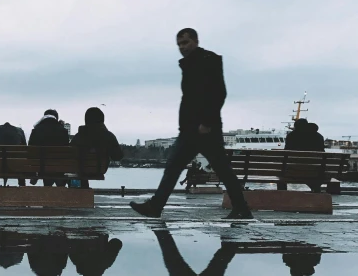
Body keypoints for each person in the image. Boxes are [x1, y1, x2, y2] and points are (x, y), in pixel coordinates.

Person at [130, 28, 252, 220]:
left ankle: (156, 206)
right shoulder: (190, 64)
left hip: (204, 129)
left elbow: (218, 93)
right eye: (179, 44)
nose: (182, 48)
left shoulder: (208, 60)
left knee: (214, 169)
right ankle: (241, 208)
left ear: (195, 41)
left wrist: (207, 122)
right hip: (190, 129)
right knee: (179, 167)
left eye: (185, 43)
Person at [70, 107, 124, 188]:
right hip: (99, 169)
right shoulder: (107, 135)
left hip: (80, 168)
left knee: (81, 166)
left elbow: (70, 153)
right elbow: (117, 156)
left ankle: (84, 191)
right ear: (102, 120)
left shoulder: (79, 135)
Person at [278, 119, 326, 193]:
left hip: (292, 171)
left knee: (281, 177)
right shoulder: (318, 136)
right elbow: (322, 153)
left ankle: (282, 194)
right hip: (314, 171)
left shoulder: (291, 136)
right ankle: (316, 193)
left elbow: (286, 153)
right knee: (315, 178)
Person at [28, 109, 70, 187]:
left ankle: (48, 190)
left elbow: (30, 150)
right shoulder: (63, 131)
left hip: (41, 168)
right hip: (59, 168)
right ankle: (60, 190)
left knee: (46, 171)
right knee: (56, 170)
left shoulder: (36, 130)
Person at [0, 121, 27, 189]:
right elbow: (25, 149)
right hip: (16, 166)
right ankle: (22, 187)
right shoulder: (19, 131)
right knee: (20, 164)